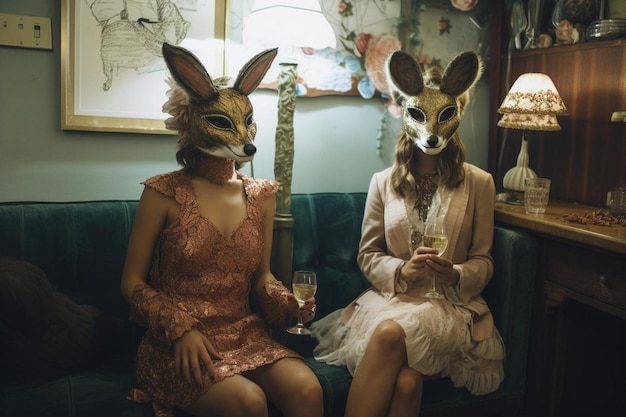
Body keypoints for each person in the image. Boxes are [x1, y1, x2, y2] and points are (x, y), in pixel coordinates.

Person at [120, 43, 323, 417]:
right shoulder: (162, 192)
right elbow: (131, 283)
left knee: (308, 388)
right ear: (193, 121)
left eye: (247, 121)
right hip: (178, 343)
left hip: (244, 333)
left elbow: (262, 278)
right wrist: (178, 329)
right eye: (224, 123)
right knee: (248, 402)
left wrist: (288, 303)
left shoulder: (261, 195)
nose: (244, 135)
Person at [311, 50, 504, 417]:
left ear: (456, 116)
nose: (431, 129)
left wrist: (457, 273)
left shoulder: (480, 183)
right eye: (420, 115)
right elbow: (368, 254)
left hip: (450, 306)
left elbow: (484, 259)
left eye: (444, 116)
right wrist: (402, 271)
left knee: (388, 335)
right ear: (407, 116)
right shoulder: (382, 182)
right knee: (406, 383)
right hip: (395, 300)